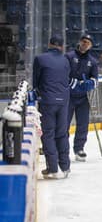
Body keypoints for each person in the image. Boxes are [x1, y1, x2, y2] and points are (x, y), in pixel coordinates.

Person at [32, 35, 71, 179]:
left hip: (47, 101)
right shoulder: (66, 60)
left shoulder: (40, 59)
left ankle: (53, 168)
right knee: (62, 133)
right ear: (61, 46)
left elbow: (36, 81)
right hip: (63, 101)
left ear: (49, 44)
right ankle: (65, 167)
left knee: (48, 134)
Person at [65, 34, 99, 161]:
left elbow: (96, 80)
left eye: (88, 43)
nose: (85, 44)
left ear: (91, 46)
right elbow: (62, 75)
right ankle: (62, 149)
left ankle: (79, 149)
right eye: (84, 41)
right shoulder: (68, 57)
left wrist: (89, 84)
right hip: (68, 96)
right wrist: (74, 83)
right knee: (64, 124)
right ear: (80, 42)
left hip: (84, 98)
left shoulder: (93, 61)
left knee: (83, 124)